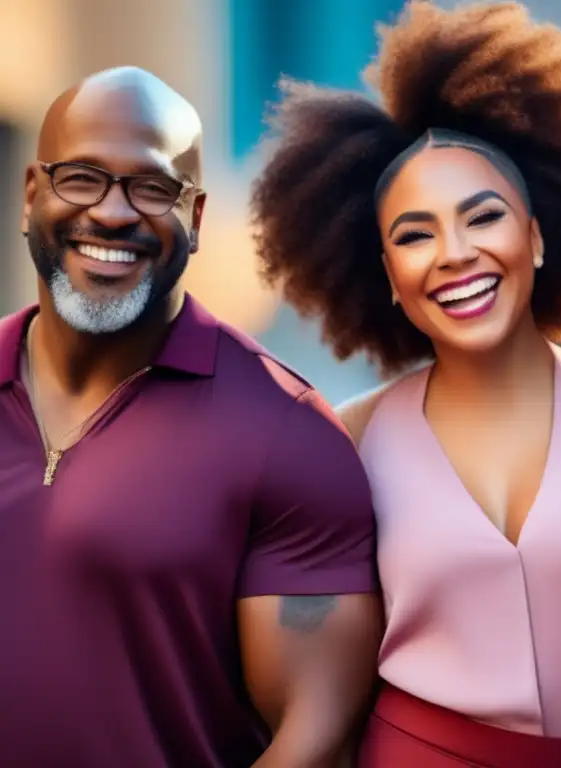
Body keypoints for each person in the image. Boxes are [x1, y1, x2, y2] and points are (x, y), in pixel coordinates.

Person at [250, 2, 561, 766]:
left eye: (483, 219)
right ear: (387, 275)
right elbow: (321, 695)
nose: (455, 254)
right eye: (415, 235)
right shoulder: (347, 438)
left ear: (536, 238)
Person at [0, 66, 382, 767]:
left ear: (195, 219)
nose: (113, 213)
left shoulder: (287, 434)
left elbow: (316, 735)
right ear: (32, 196)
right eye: (81, 177)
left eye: (151, 188)